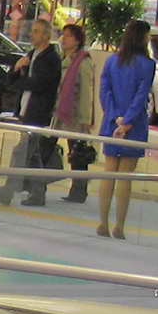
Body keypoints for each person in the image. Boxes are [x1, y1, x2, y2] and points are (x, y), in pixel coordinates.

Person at [0, 18, 62, 207]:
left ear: (46, 35)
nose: (31, 35)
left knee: (21, 152)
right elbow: (11, 80)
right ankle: (37, 193)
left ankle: (8, 191)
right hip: (25, 110)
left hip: (38, 113)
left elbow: (39, 84)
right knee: (32, 155)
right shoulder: (31, 55)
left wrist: (20, 80)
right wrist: (17, 68)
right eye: (32, 31)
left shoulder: (51, 59)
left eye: (36, 31)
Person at [97, 18, 156, 238]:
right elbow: (141, 95)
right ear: (143, 37)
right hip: (135, 124)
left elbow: (105, 92)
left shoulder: (112, 61)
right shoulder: (148, 65)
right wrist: (128, 121)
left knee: (109, 171)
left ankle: (102, 223)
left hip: (111, 123)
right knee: (125, 175)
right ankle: (119, 226)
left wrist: (115, 118)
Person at [53, 22, 97, 203]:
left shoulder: (83, 61)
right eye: (63, 35)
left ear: (78, 40)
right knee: (48, 145)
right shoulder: (63, 58)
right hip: (60, 112)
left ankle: (79, 190)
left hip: (75, 115)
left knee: (77, 152)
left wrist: (86, 119)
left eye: (68, 36)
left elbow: (86, 92)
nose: (64, 39)